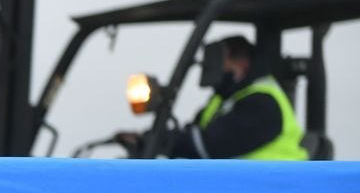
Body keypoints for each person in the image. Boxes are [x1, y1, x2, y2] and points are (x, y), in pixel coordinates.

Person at [120, 36, 307, 161]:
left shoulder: (262, 103)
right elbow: (193, 133)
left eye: (219, 61)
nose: (213, 70)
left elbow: (209, 146)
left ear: (242, 63)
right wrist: (146, 140)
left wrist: (163, 141)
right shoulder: (224, 101)